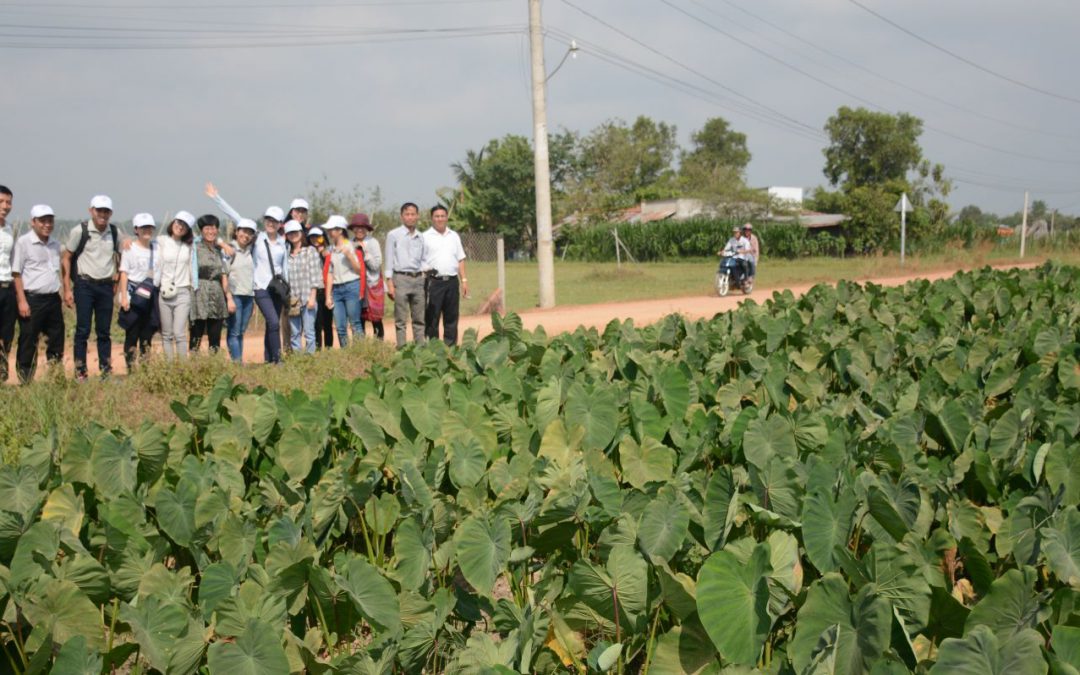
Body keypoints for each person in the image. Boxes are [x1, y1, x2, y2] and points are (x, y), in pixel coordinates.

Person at [205, 182, 288, 363]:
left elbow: (285, 266)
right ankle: (278, 359)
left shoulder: (283, 242)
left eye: (274, 221)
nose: (270, 223)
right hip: (260, 288)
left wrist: (287, 288)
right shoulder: (257, 238)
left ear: (280, 223)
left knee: (270, 325)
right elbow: (237, 218)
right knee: (274, 322)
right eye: (268, 219)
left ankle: (269, 359)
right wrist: (217, 198)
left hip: (278, 288)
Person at [62, 195, 119, 380]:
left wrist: (117, 279)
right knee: (82, 330)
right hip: (84, 284)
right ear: (91, 211)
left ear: (110, 213)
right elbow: (66, 257)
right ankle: (81, 372)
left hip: (105, 286)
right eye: (99, 210)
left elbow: (122, 254)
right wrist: (68, 289)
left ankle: (105, 371)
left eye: (106, 211)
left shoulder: (114, 232)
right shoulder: (80, 231)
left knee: (104, 331)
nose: (103, 214)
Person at [12, 205, 64, 383]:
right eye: (42, 221)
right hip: (32, 299)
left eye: (50, 220)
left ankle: (56, 376)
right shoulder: (23, 242)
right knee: (28, 339)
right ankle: (25, 378)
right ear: (33, 222)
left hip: (52, 298)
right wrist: (22, 301)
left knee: (56, 338)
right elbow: (16, 273)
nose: (47, 224)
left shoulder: (55, 244)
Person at [117, 213, 160, 369]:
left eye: (149, 227)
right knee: (132, 333)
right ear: (136, 229)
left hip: (151, 295)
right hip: (134, 295)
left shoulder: (157, 247)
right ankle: (130, 368)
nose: (146, 231)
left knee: (147, 335)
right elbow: (124, 273)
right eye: (143, 228)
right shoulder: (130, 248)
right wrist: (124, 298)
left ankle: (145, 368)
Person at [421, 205, 468, 346]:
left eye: (442, 216)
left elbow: (460, 259)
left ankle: (451, 349)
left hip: (452, 282)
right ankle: (434, 349)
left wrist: (464, 280)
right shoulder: (424, 237)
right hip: (433, 282)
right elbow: (420, 260)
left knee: (452, 317)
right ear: (432, 218)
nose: (440, 219)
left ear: (447, 217)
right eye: (437, 216)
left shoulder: (454, 236)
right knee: (432, 318)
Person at [189, 215, 234, 353]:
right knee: (196, 332)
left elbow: (224, 274)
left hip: (217, 293)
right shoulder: (194, 248)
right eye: (207, 228)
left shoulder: (219, 250)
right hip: (199, 293)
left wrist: (229, 298)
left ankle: (215, 365)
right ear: (201, 230)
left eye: (214, 228)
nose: (211, 231)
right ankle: (194, 365)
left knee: (215, 335)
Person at [155, 212, 197, 360]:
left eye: (185, 226)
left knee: (179, 332)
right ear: (173, 222)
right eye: (179, 222)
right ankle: (169, 368)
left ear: (188, 230)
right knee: (166, 334)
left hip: (183, 292)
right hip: (164, 292)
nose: (180, 227)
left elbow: (208, 239)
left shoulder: (190, 245)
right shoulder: (161, 241)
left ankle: (182, 368)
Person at [384, 202, 426, 347]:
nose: (410, 217)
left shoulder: (421, 236)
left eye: (413, 214)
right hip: (400, 278)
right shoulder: (393, 235)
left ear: (417, 216)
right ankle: (402, 350)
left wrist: (424, 276)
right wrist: (389, 283)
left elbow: (423, 259)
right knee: (401, 320)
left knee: (419, 319)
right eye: (407, 214)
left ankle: (420, 349)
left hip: (418, 279)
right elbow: (389, 259)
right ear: (402, 216)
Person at [323, 215, 365, 347]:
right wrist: (328, 296)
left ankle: (360, 353)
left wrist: (349, 256)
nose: (329, 232)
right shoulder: (330, 249)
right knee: (340, 326)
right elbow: (330, 273)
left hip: (352, 286)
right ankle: (346, 354)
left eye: (331, 229)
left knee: (355, 323)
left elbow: (359, 270)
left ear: (340, 230)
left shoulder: (351, 246)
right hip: (336, 290)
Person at [284, 220, 322, 354]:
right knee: (294, 333)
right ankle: (298, 360)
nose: (293, 235)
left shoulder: (310, 251)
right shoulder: (286, 254)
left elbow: (315, 275)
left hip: (307, 297)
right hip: (292, 300)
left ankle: (310, 360)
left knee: (309, 332)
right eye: (290, 233)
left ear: (301, 233)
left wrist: (312, 297)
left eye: (295, 232)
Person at [223, 219, 257, 362]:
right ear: (236, 232)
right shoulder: (230, 249)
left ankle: (239, 360)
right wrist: (229, 298)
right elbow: (224, 275)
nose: (246, 235)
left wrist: (253, 299)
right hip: (235, 295)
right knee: (234, 331)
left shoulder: (250, 252)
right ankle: (237, 363)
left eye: (250, 233)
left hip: (248, 296)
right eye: (243, 231)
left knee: (241, 332)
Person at [350, 213, 385, 340]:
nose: (359, 230)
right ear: (353, 229)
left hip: (372, 285)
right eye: (356, 227)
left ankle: (379, 346)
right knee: (358, 318)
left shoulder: (373, 242)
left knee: (375, 318)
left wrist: (365, 253)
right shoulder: (349, 243)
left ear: (367, 228)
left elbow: (376, 266)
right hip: (356, 286)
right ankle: (361, 347)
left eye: (362, 227)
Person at [308, 227, 335, 350]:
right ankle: (318, 350)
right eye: (312, 237)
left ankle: (329, 349)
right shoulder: (308, 251)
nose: (315, 239)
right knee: (316, 324)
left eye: (317, 236)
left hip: (327, 290)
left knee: (327, 323)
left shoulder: (329, 250)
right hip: (314, 291)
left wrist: (323, 253)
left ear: (323, 237)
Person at [0, 186, 15, 383]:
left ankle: (2, 372)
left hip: (7, 285)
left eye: (8, 202)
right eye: (1, 201)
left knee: (7, 333)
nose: (5, 206)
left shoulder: (10, 229)